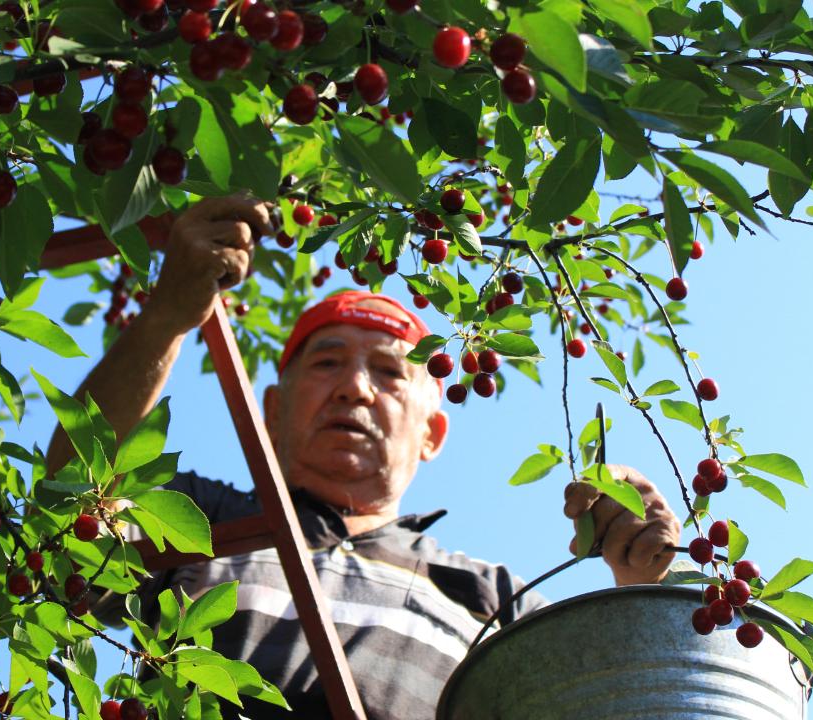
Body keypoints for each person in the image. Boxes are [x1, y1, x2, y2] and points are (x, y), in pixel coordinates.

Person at [47, 195, 683, 719]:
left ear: (433, 434)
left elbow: (622, 698)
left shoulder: (496, 599)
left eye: (389, 371)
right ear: (271, 411)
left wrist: (642, 583)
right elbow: (72, 507)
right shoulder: (197, 518)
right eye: (327, 363)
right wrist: (165, 317)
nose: (355, 387)